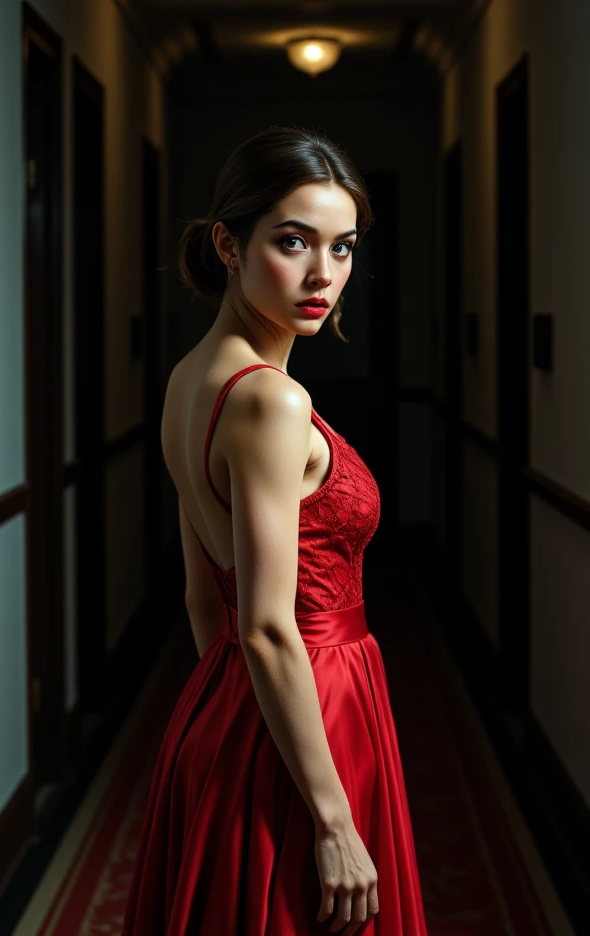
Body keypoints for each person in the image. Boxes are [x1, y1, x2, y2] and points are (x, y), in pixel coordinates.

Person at [120, 125, 428, 935]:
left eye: (344, 246)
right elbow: (262, 623)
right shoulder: (269, 400)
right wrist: (329, 817)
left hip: (234, 701)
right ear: (229, 242)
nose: (324, 274)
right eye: (293, 242)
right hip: (312, 700)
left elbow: (202, 601)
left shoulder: (191, 376)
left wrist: (237, 727)